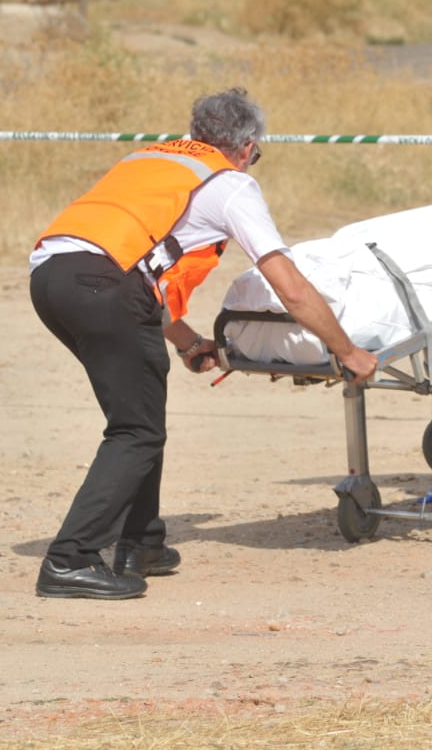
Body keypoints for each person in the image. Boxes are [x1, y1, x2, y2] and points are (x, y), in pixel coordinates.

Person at [29, 87, 378, 600]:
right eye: (256, 154)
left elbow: (131, 260)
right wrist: (347, 352)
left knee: (140, 415)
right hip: (104, 289)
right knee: (135, 430)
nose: (253, 162)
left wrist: (188, 340)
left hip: (52, 277)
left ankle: (141, 542)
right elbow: (290, 286)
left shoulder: (151, 157)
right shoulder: (230, 184)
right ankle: (70, 559)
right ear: (246, 146)